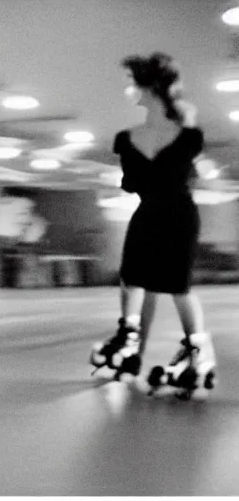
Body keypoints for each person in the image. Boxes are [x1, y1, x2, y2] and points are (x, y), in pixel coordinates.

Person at [90, 52, 216, 390]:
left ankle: (131, 340)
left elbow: (131, 183)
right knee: (172, 286)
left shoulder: (127, 138)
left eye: (131, 82)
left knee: (135, 280)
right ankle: (193, 349)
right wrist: (186, 120)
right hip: (179, 214)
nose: (128, 89)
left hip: (150, 213)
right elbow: (187, 164)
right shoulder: (188, 135)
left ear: (147, 88)